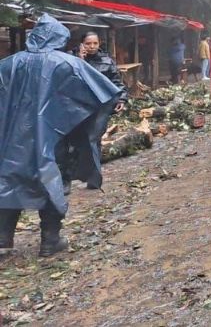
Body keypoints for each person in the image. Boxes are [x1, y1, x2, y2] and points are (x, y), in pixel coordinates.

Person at [0, 14, 121, 256]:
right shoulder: (68, 64)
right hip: (54, 138)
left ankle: (3, 239)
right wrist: (83, 130)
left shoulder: (8, 64)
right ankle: (49, 240)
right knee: (51, 182)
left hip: (12, 140)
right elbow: (104, 93)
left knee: (9, 181)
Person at [62, 32, 128, 193]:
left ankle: (94, 178)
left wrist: (122, 100)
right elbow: (67, 79)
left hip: (100, 106)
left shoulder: (106, 61)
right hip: (77, 106)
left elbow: (117, 82)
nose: (92, 47)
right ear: (82, 44)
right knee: (72, 142)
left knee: (93, 139)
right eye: (88, 43)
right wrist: (80, 60)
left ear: (99, 44)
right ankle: (66, 180)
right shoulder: (69, 59)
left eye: (95, 43)